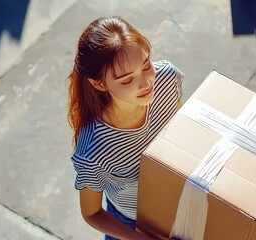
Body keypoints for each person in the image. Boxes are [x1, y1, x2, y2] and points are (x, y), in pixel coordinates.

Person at [67, 16, 184, 240]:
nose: (146, 83)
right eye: (126, 80)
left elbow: (183, 132)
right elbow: (92, 213)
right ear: (99, 83)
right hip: (131, 223)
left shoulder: (168, 78)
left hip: (178, 199)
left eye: (146, 65)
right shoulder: (93, 151)